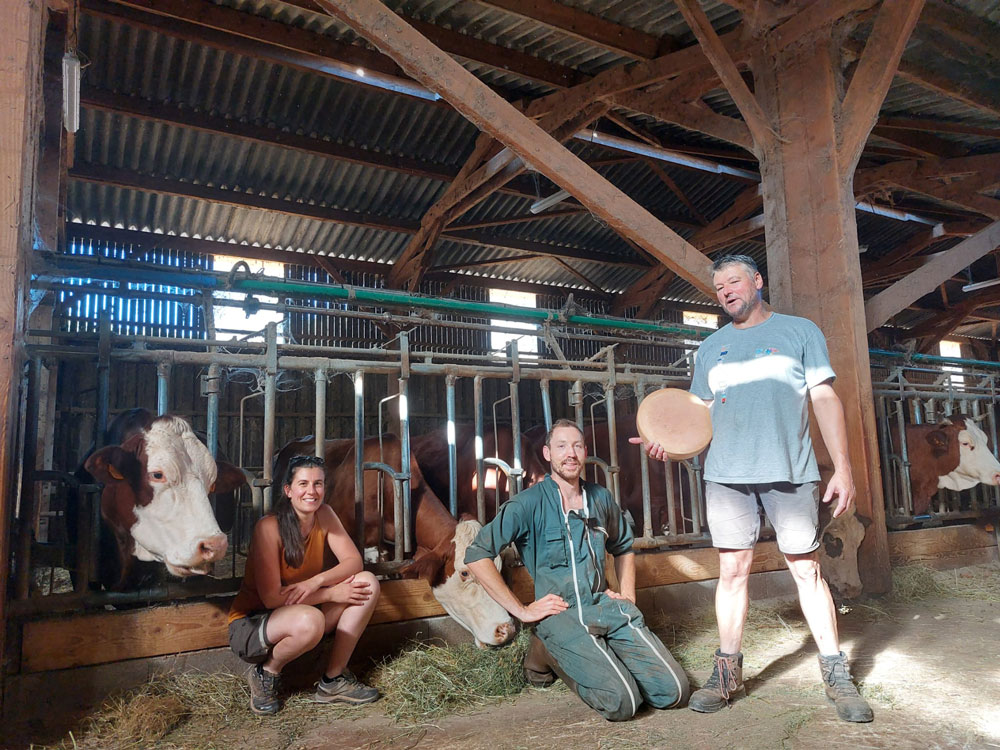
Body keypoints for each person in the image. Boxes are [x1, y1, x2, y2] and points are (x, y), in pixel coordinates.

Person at [636, 254, 873, 723]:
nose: (725, 291)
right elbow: (697, 417)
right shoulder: (710, 349)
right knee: (732, 572)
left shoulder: (799, 331)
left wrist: (842, 468)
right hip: (726, 475)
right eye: (718, 286)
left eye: (734, 281)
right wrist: (666, 442)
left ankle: (836, 674)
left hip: (791, 471)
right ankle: (726, 674)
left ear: (757, 281)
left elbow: (824, 397)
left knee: (806, 571)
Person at [465, 419, 689, 721]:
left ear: (584, 452)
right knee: (623, 704)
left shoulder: (600, 497)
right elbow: (476, 555)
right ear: (547, 453)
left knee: (673, 691)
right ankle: (546, 650)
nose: (570, 453)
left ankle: (600, 652)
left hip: (603, 606)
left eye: (577, 446)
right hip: (562, 614)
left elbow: (623, 547)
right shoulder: (527, 504)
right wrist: (522, 611)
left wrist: (627, 596)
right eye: (561, 446)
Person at [228, 454, 381, 715]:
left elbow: (354, 561)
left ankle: (332, 680)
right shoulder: (269, 527)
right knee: (311, 620)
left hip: (301, 611)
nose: (312, 491)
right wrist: (332, 592)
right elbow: (273, 600)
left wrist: (317, 581)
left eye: (318, 484)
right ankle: (266, 673)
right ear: (288, 490)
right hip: (253, 626)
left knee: (367, 583)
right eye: (303, 484)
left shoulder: (325, 514)